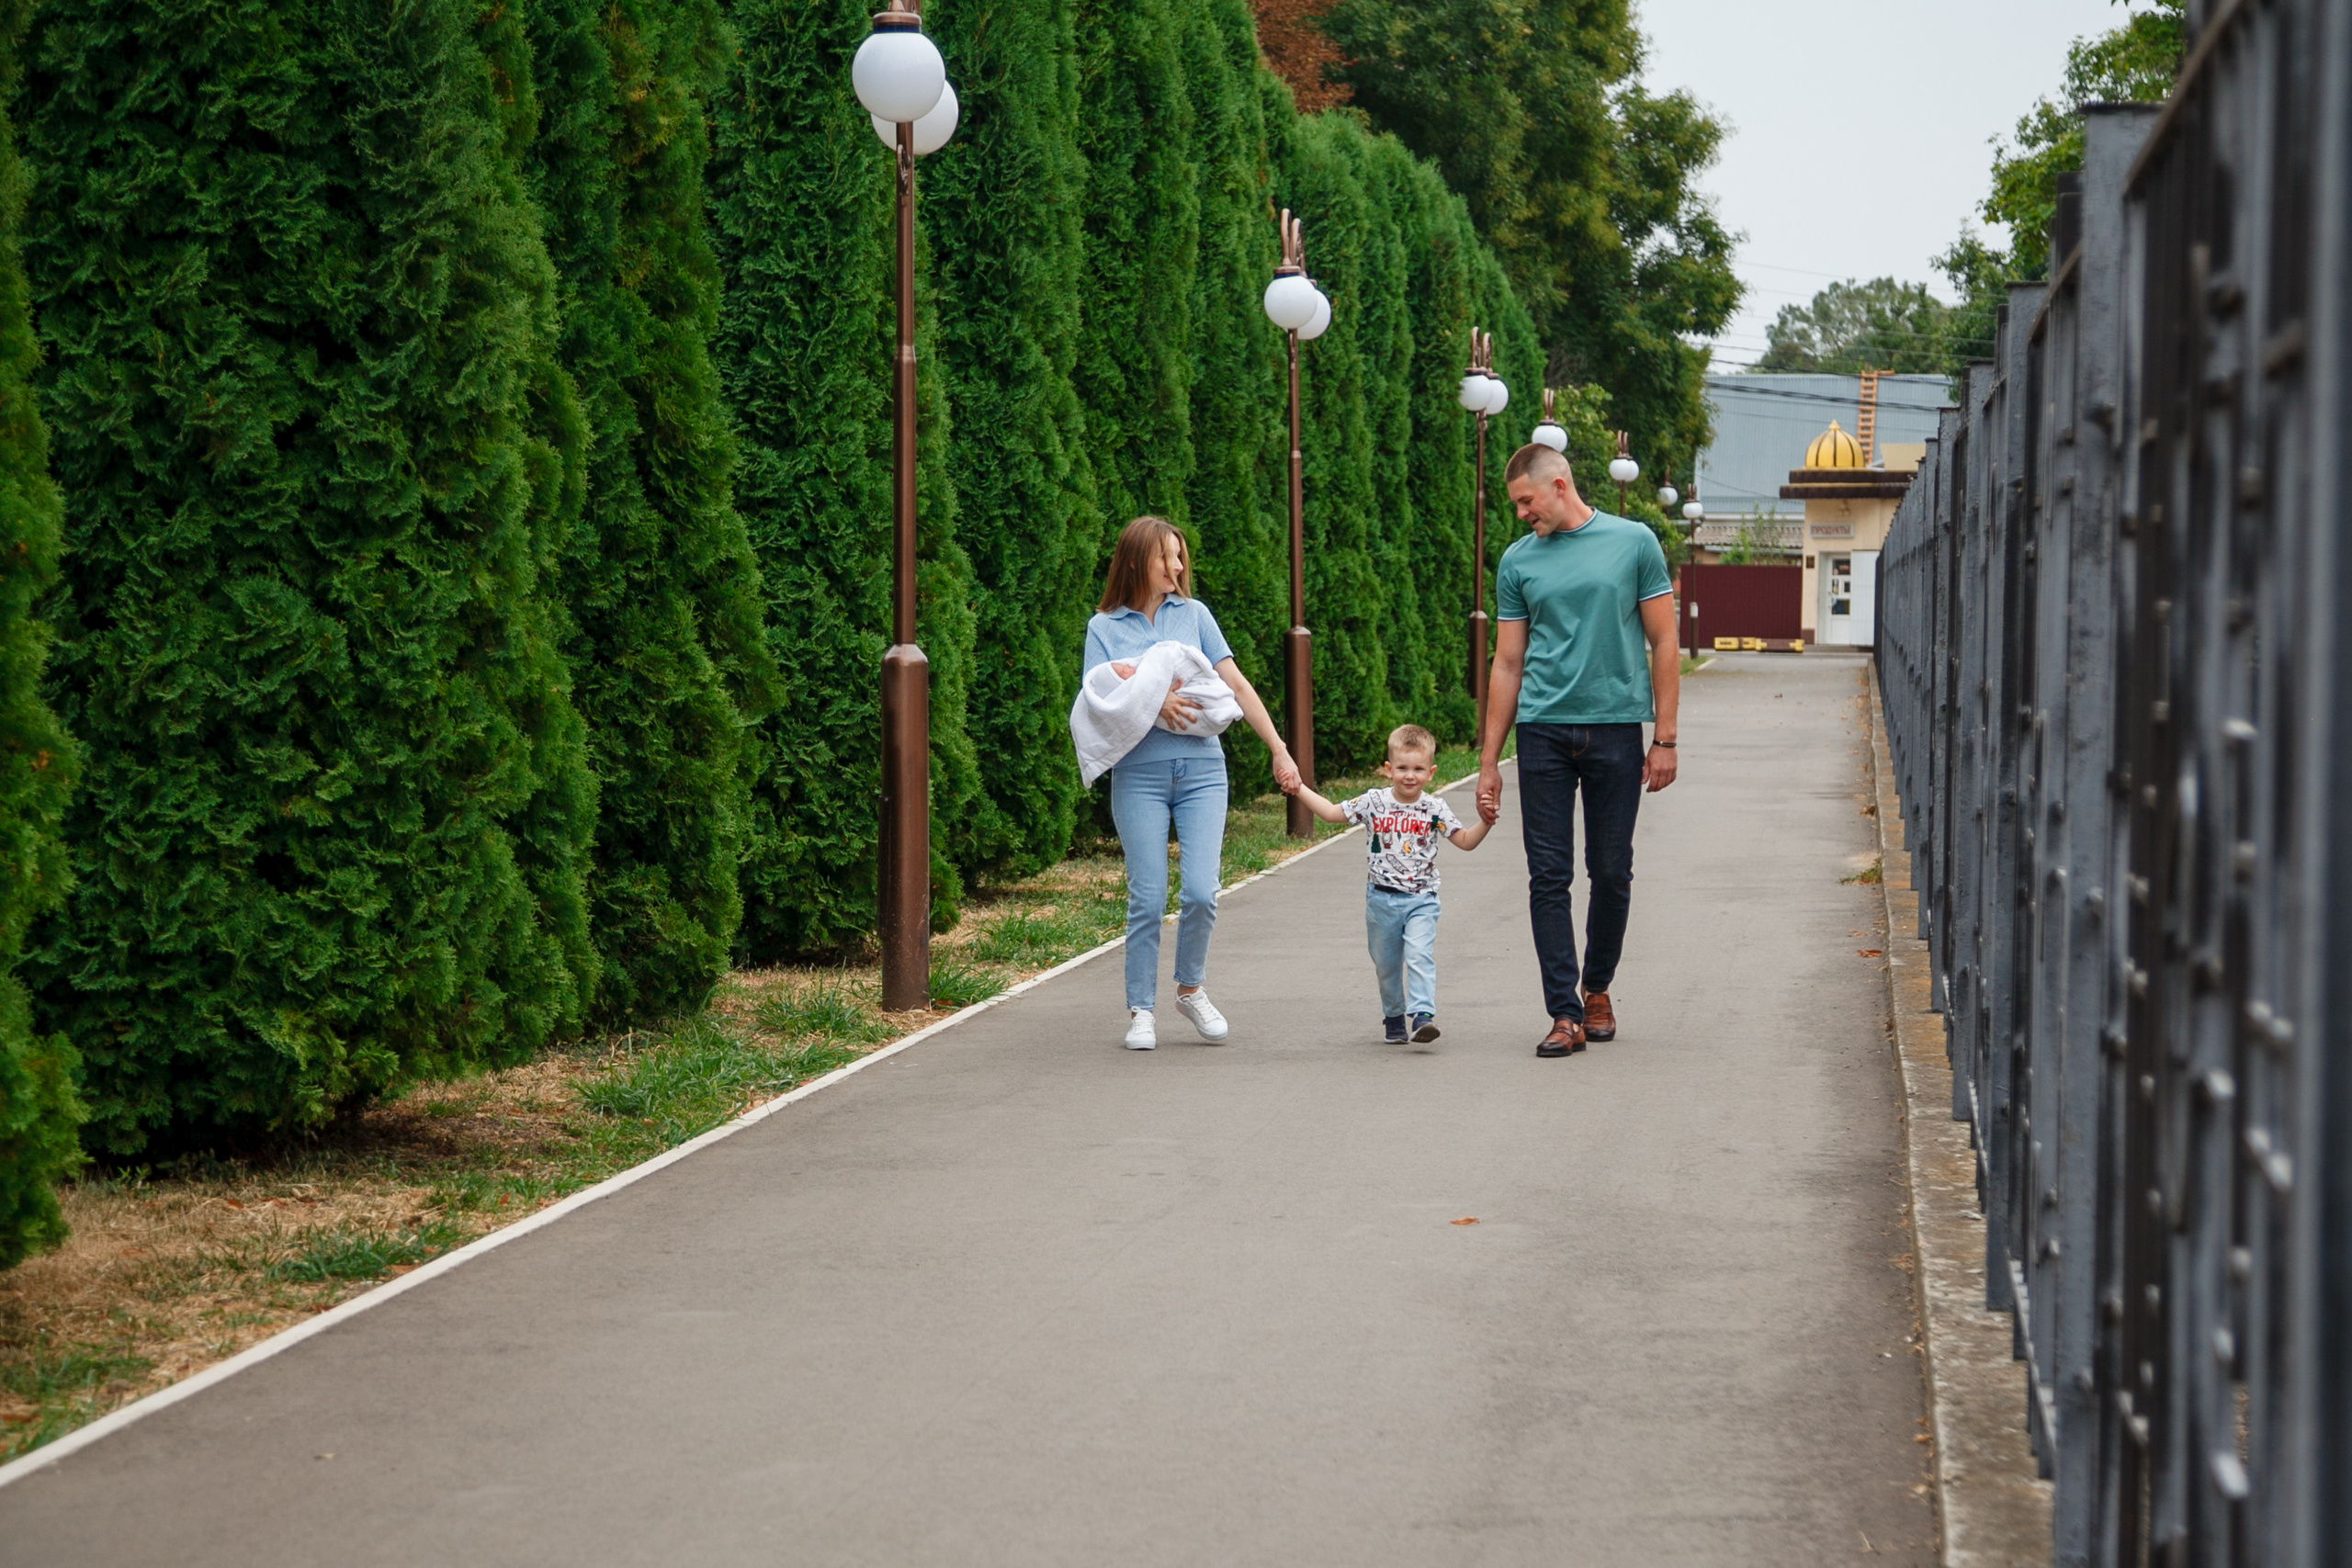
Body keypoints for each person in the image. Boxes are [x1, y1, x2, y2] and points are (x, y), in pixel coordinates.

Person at [1476, 444, 1680, 1059]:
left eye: (1525, 502)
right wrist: (1490, 759)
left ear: (1558, 484)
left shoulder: (1634, 542)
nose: (1520, 514)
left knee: (1612, 868)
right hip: (1542, 733)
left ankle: (1598, 987)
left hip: (1617, 728)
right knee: (1549, 875)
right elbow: (1508, 662)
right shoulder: (1518, 562)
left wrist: (1665, 738)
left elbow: (1665, 640)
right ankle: (1564, 1012)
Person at [1083, 516, 1300, 1050]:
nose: (1178, 567)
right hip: (1140, 774)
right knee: (1148, 896)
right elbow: (1099, 702)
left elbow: (1235, 685)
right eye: (1167, 557)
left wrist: (1279, 750)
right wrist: (1154, 700)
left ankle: (1189, 988)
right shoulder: (1104, 627)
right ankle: (1141, 1010)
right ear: (1138, 560)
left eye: (1181, 557)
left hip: (1204, 770)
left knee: (1202, 893)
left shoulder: (1195, 615)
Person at [1285, 723, 1493, 1043]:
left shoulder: (1434, 808)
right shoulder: (1374, 802)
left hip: (1422, 899)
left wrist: (1486, 822)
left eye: (1418, 769)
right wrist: (1298, 788)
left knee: (1419, 954)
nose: (1410, 776)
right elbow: (1330, 813)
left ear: (1431, 772)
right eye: (1402, 768)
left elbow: (1464, 841)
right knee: (1386, 967)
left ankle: (1423, 1015)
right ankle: (1394, 1016)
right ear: (1388, 769)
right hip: (1381, 900)